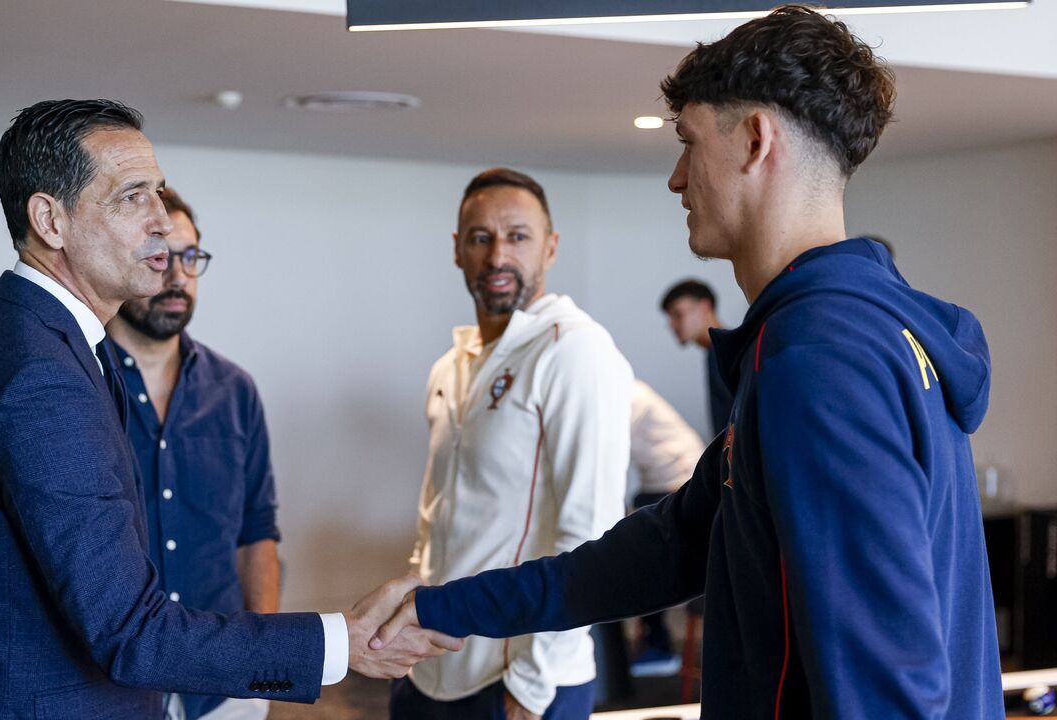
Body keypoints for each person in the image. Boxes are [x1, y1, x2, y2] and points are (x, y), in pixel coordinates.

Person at [373, 7, 1003, 718]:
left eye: (689, 142)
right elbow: (662, 549)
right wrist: (443, 606)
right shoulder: (854, 332)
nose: (676, 179)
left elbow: (888, 685)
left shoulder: (821, 359)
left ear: (757, 140)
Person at [0, 98, 458, 719]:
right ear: (50, 221)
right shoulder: (42, 373)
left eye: (159, 194)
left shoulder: (10, 335)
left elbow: (253, 534)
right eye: (131, 197)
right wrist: (340, 643)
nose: (164, 224)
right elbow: (130, 632)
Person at [394, 168, 633, 720]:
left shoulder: (576, 352)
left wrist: (532, 683)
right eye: (481, 237)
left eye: (518, 236)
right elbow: (437, 518)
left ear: (549, 248)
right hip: (431, 665)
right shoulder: (451, 366)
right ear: (458, 250)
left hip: (519, 682)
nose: (498, 254)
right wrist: (410, 619)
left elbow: (591, 535)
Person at [104, 187, 279, 720]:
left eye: (189, 257)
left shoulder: (235, 391)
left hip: (223, 682)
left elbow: (258, 533)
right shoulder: (80, 383)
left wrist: (263, 663)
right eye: (159, 257)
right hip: (110, 684)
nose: (177, 275)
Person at [622, 380, 706, 678]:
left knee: (640, 549)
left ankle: (659, 645)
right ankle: (654, 641)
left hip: (681, 480)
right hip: (658, 484)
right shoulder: (628, 391)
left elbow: (611, 452)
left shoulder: (628, 395)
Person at [660, 279, 733, 438]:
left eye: (677, 314)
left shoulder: (729, 352)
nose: (671, 325)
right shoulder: (715, 351)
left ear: (705, 306)